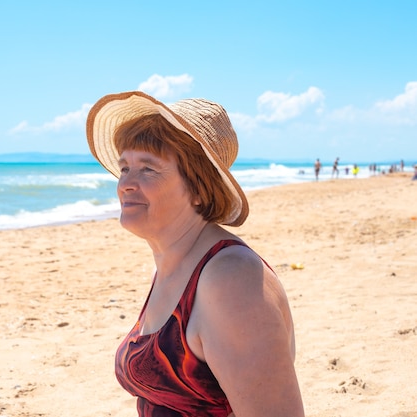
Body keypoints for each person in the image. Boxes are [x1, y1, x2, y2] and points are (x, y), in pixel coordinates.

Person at [86, 91, 304, 417]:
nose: (125, 184)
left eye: (148, 168)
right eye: (124, 168)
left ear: (198, 188)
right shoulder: (170, 266)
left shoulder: (230, 280)